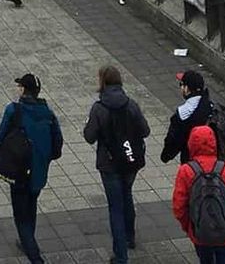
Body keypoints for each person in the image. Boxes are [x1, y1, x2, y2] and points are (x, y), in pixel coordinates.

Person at [0, 74, 63, 264]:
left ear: (23, 89)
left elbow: (1, 137)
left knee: (20, 213)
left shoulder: (14, 110)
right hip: (39, 171)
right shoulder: (48, 113)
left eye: (19, 86)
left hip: (18, 168)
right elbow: (58, 144)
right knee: (31, 205)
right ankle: (27, 241)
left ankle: (34, 255)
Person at [82, 64, 151, 264]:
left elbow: (89, 136)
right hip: (130, 161)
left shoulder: (98, 108)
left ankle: (120, 255)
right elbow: (145, 131)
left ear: (102, 82)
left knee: (115, 207)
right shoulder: (131, 105)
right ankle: (130, 237)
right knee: (127, 194)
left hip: (109, 164)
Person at [172, 125, 225, 264]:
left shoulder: (186, 171)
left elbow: (179, 207)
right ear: (214, 143)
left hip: (201, 234)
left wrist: (191, 229)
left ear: (191, 144)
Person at [161, 71, 214, 165]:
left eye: (181, 84)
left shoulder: (182, 115)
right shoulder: (211, 107)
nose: (180, 88)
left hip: (191, 162)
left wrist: (166, 156)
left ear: (187, 89)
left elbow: (173, 140)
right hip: (213, 159)